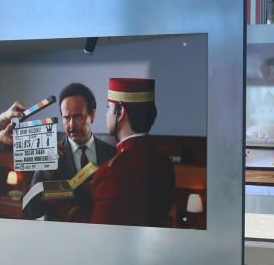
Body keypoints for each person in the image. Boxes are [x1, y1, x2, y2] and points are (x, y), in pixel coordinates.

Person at [87, 78, 174, 227]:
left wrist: (70, 210)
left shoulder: (111, 171)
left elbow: (98, 235)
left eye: (109, 108)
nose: (106, 115)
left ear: (120, 112)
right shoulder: (165, 161)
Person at [24, 82, 117, 222]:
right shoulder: (50, 156)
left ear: (92, 114)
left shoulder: (111, 154)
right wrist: (45, 167)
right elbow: (32, 211)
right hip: (60, 239)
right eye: (66, 118)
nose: (71, 125)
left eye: (78, 116)